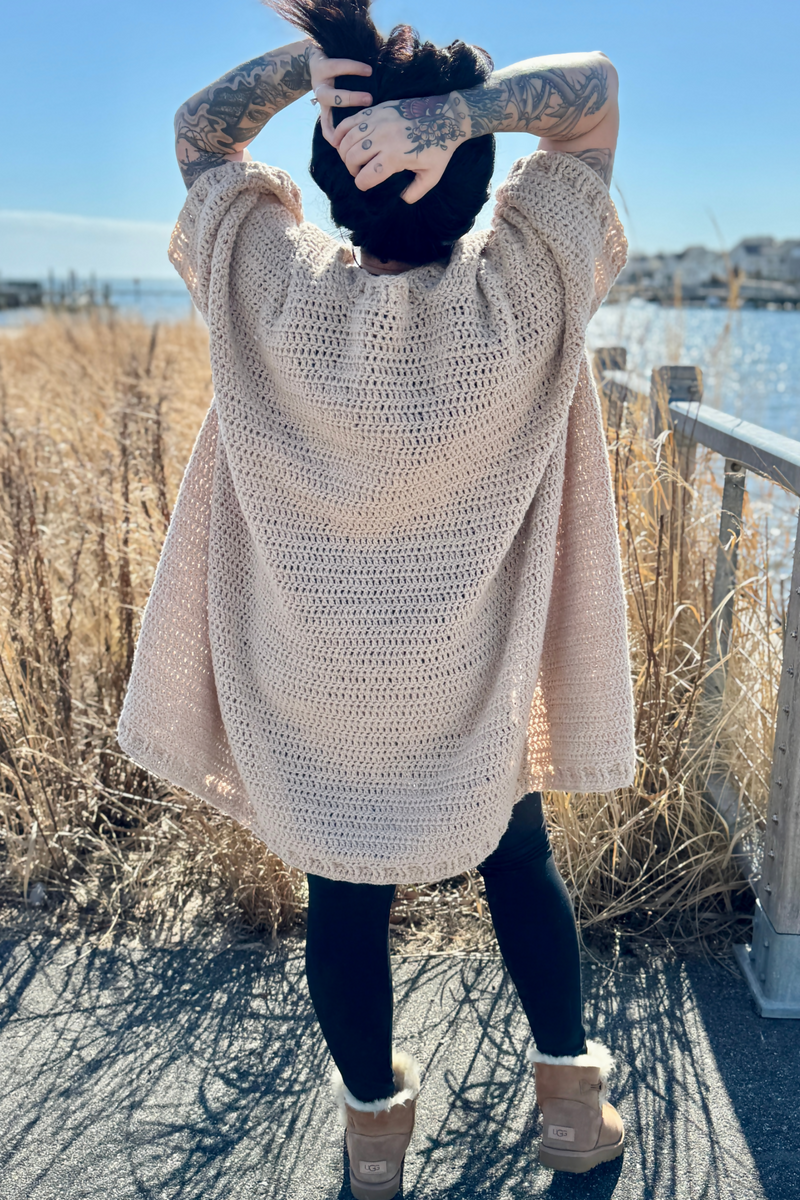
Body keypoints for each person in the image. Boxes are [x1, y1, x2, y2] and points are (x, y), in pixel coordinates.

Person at [118, 0, 635, 1192]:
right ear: (470, 177)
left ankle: (371, 1138)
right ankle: (568, 1104)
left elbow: (199, 133)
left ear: (332, 173)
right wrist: (452, 114)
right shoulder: (523, 301)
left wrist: (320, 65)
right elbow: (594, 94)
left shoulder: (267, 294)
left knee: (342, 898)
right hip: (474, 686)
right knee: (518, 864)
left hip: (317, 693)